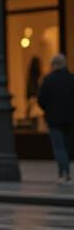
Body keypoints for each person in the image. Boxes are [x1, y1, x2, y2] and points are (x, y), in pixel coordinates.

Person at [37, 53, 74, 183]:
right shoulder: (71, 79)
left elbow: (41, 99)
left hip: (53, 119)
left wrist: (47, 109)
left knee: (59, 147)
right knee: (67, 146)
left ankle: (63, 173)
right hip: (70, 119)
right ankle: (64, 171)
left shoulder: (48, 80)